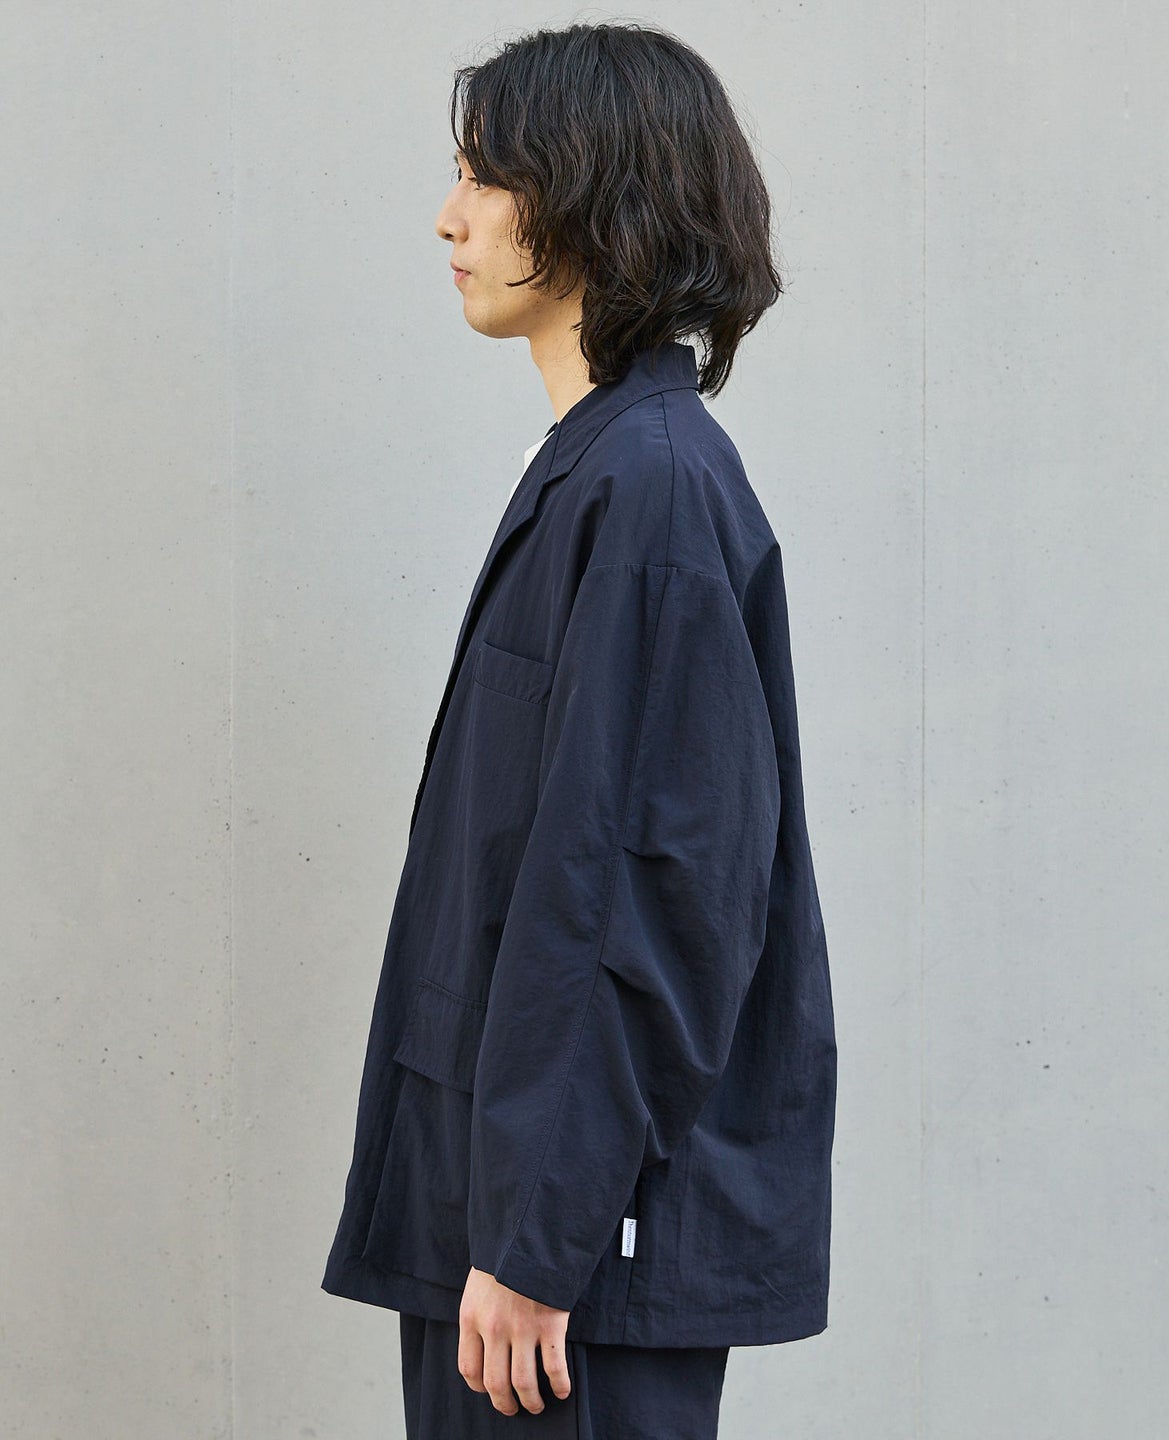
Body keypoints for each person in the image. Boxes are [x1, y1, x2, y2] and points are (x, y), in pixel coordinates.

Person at [322, 20, 837, 1438]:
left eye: (489, 177)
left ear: (599, 202)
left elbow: (648, 890)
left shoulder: (651, 491)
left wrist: (540, 1238)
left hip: (564, 1270)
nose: (450, 217)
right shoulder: (603, 472)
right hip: (518, 1232)